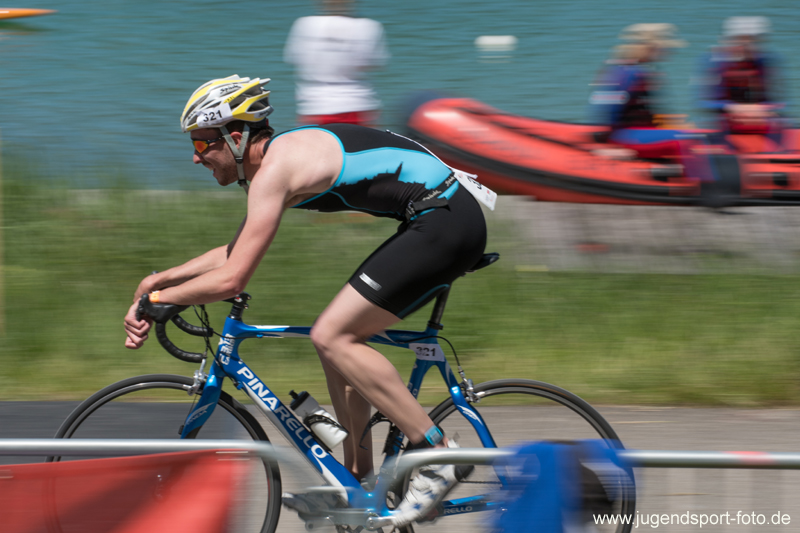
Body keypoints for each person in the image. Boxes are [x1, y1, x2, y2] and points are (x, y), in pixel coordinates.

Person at [123, 75, 488, 526]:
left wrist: (161, 300)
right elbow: (235, 253)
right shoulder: (274, 166)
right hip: (438, 217)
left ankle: (436, 454)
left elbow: (233, 279)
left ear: (234, 137)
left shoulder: (277, 169)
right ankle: (359, 480)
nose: (196, 157)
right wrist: (157, 281)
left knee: (333, 335)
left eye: (202, 143)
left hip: (445, 220)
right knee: (333, 340)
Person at [283, 0, 389, 127]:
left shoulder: (305, 25)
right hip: (359, 106)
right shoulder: (369, 26)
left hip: (315, 108)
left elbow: (292, 58)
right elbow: (375, 62)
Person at [589, 23, 687, 159]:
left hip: (640, 131)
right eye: (666, 47)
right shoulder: (628, 72)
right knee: (690, 140)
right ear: (652, 48)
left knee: (693, 135)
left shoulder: (643, 69)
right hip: (625, 136)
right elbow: (606, 109)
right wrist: (610, 146)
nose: (670, 50)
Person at [697, 16, 784, 143]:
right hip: (724, 123)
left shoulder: (766, 62)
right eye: (742, 39)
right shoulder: (714, 62)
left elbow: (778, 101)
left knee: (784, 123)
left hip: (760, 122)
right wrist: (735, 108)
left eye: (754, 40)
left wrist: (765, 109)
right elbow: (703, 102)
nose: (748, 45)